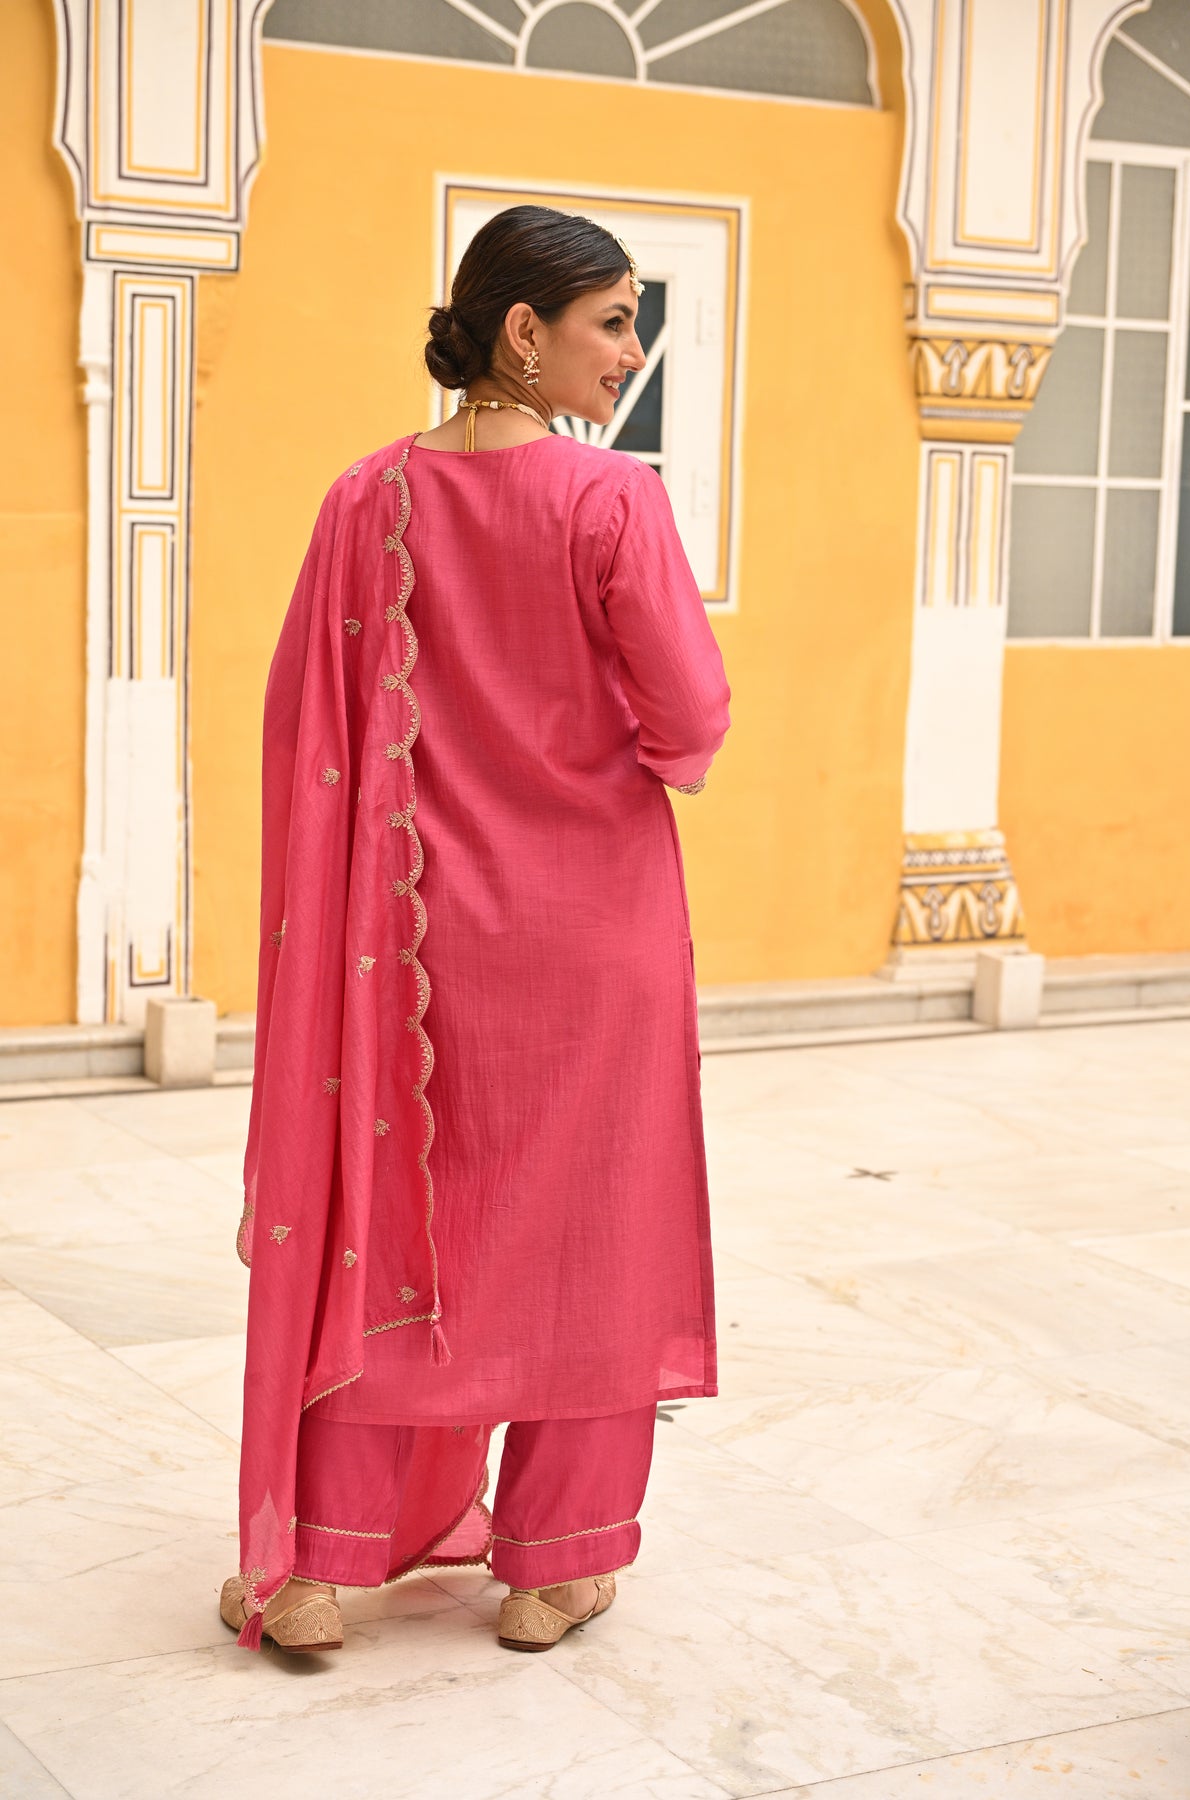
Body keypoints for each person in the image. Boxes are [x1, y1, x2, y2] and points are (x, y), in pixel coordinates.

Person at [220, 205, 732, 1655]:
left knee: (398, 1227)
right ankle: (553, 1567)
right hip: (594, 939)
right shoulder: (609, 499)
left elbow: (307, 728)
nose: (629, 354)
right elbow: (690, 718)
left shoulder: (362, 501)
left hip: (409, 950)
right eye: (612, 323)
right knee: (593, 1235)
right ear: (524, 330)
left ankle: (321, 1565)